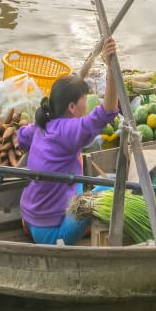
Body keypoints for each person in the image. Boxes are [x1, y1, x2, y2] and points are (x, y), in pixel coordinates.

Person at [18, 38, 120, 246]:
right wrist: (111, 70)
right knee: (112, 186)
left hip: (29, 219)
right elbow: (107, 111)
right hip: (52, 233)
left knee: (81, 182)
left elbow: (21, 137)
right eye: (85, 98)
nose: (87, 102)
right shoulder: (67, 130)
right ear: (72, 107)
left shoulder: (42, 123)